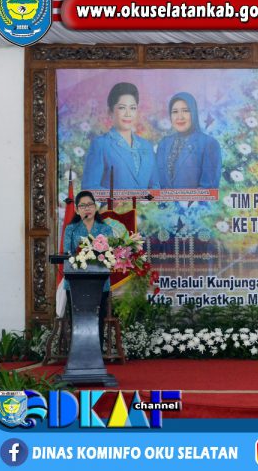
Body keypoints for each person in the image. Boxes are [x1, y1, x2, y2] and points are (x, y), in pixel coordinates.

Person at [81, 82, 159, 190]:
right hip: (111, 202)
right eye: (122, 108)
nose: (128, 114)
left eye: (133, 108)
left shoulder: (147, 146)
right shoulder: (101, 144)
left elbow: (155, 187)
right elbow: (89, 188)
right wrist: (122, 199)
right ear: (110, 112)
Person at [63, 190, 113, 347]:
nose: (87, 208)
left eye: (90, 204)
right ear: (77, 210)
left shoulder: (105, 229)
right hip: (74, 284)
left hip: (100, 283)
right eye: (83, 206)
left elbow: (112, 255)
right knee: (77, 320)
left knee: (98, 319)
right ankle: (77, 352)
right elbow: (66, 254)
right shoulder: (71, 229)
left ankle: (97, 351)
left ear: (95, 207)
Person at [156, 92, 222, 188]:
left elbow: (209, 189)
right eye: (175, 112)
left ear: (193, 113)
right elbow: (156, 184)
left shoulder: (209, 144)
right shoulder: (164, 143)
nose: (180, 117)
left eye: (185, 111)